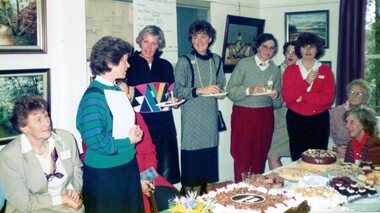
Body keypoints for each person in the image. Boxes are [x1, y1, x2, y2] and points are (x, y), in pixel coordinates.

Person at [76, 36, 144, 212]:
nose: (128, 65)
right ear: (109, 63)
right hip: (105, 175)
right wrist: (128, 141)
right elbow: (96, 140)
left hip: (126, 166)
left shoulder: (114, 89)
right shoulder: (93, 97)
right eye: (124, 61)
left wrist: (131, 136)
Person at [118, 25, 180, 184]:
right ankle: (149, 205)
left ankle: (164, 201)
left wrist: (174, 100)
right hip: (141, 126)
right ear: (140, 41)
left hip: (165, 126)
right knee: (146, 173)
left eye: (154, 43)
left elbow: (173, 93)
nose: (149, 47)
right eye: (146, 42)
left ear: (159, 45)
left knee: (166, 173)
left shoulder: (165, 65)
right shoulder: (129, 64)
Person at [0, 95, 83, 212]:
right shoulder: (9, 157)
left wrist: (72, 189)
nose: (46, 123)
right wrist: (61, 199)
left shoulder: (66, 139)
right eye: (38, 120)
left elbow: (76, 168)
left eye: (46, 115)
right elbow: (24, 203)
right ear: (23, 127)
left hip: (68, 204)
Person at [174, 20, 226, 194]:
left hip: (210, 121)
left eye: (203, 36)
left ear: (210, 38)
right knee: (192, 174)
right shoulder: (184, 61)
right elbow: (178, 90)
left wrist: (220, 92)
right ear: (191, 39)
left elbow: (220, 83)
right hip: (192, 122)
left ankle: (208, 204)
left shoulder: (217, 60)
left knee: (209, 174)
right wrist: (201, 90)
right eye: (195, 37)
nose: (199, 40)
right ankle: (190, 204)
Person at [227, 33, 282, 182]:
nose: (268, 51)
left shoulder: (275, 71)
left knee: (260, 156)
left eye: (272, 48)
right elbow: (230, 91)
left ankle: (257, 192)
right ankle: (239, 192)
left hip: (265, 117)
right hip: (243, 115)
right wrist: (249, 90)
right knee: (242, 157)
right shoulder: (244, 64)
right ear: (257, 47)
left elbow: (278, 103)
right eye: (264, 47)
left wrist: (276, 96)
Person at [283, 32, 335, 161]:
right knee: (298, 159)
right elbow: (288, 98)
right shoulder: (290, 70)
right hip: (296, 119)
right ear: (299, 49)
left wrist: (303, 98)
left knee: (318, 159)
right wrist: (306, 82)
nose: (308, 50)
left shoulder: (325, 71)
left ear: (317, 49)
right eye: (304, 46)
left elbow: (328, 100)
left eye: (311, 46)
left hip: (319, 119)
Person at [267, 41, 298, 170]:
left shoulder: (303, 72)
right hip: (278, 116)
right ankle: (279, 185)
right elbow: (269, 90)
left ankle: (297, 187)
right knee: (272, 154)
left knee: (297, 156)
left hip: (296, 116)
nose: (290, 55)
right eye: (288, 52)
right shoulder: (275, 70)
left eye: (294, 53)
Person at [330, 79, 372, 158]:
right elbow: (328, 136)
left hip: (362, 155)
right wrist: (334, 148)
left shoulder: (369, 114)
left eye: (358, 94)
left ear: (365, 97)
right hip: (338, 154)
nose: (353, 96)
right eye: (351, 92)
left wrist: (354, 151)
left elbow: (373, 140)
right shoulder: (335, 112)